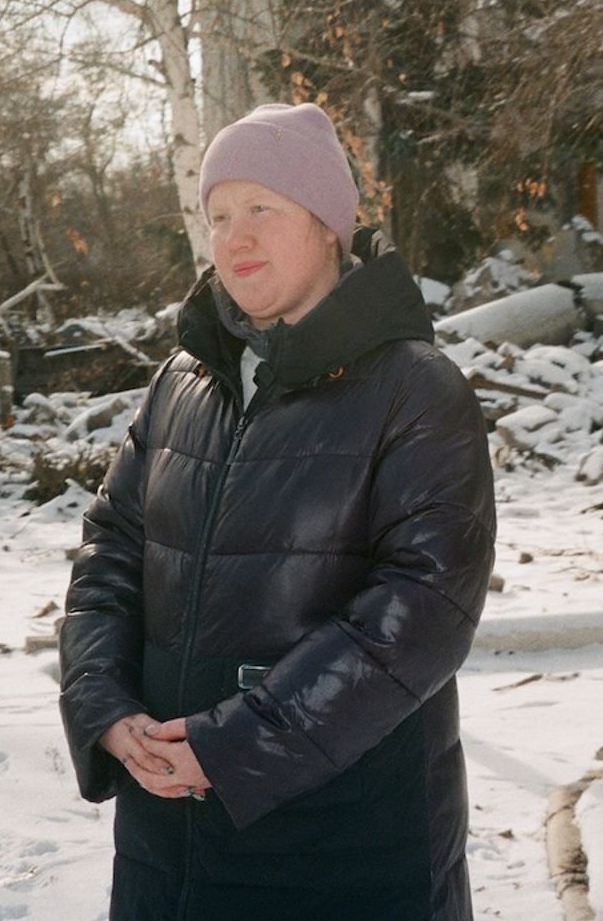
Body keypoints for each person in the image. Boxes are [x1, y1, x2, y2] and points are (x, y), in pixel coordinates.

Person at [60, 102, 497, 921]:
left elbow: (424, 608)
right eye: (220, 215)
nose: (237, 237)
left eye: (263, 207)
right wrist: (105, 707)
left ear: (328, 226)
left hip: (342, 850)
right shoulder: (181, 383)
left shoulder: (415, 390)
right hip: (167, 841)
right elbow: (110, 551)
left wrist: (236, 746)